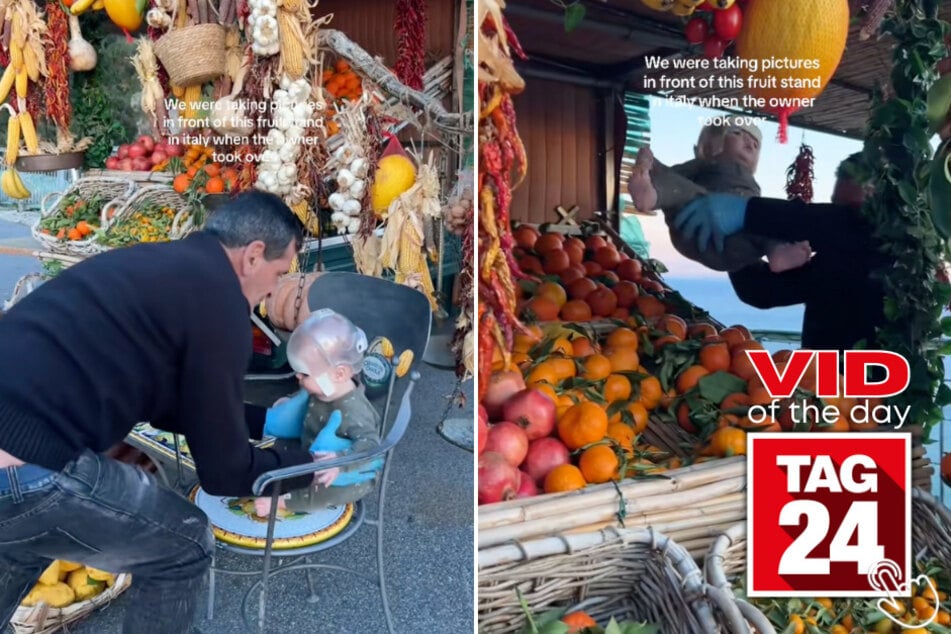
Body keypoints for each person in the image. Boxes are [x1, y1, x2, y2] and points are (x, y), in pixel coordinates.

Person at [0, 190, 330, 634]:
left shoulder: (162, 266)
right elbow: (224, 472)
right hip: (24, 462)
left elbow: (171, 405)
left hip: (12, 444)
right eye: (279, 272)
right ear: (253, 256)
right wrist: (306, 467)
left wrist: (265, 421)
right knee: (184, 543)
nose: (275, 289)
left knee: (22, 542)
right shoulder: (222, 303)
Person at [677, 153, 886, 352]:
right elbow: (762, 291)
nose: (840, 216)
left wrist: (748, 212)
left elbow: (833, 224)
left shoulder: (902, 246)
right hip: (823, 381)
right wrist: (735, 247)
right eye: (836, 206)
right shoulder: (838, 262)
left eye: (850, 211)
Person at [628, 117, 812, 273]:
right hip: (693, 226)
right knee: (684, 190)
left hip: (736, 246)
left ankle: (777, 252)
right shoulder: (703, 165)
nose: (749, 143)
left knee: (767, 217)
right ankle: (649, 195)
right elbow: (672, 176)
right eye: (738, 133)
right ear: (712, 142)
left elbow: (760, 216)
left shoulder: (751, 183)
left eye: (755, 144)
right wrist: (650, 164)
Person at [253, 309, 382, 517]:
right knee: (281, 447)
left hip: (345, 475)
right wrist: (291, 401)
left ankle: (283, 503)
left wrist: (339, 463)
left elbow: (371, 447)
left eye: (305, 374)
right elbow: (305, 396)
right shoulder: (323, 386)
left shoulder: (354, 410)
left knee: (322, 489)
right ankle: (281, 474)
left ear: (339, 373)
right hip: (310, 448)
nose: (298, 376)